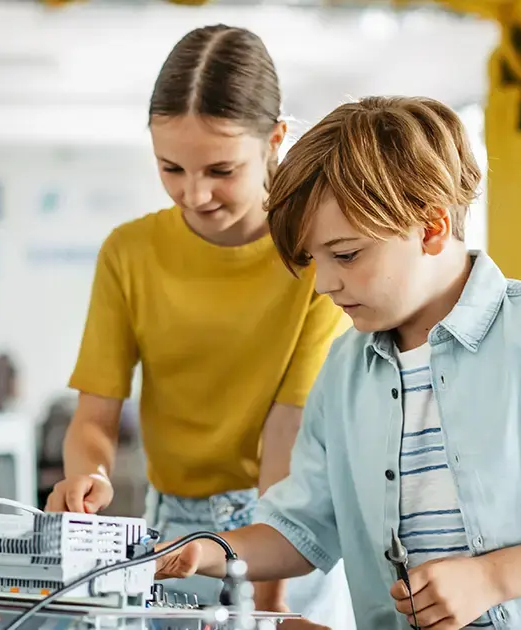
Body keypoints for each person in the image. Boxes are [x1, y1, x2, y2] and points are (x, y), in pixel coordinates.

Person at [153, 95, 521, 630]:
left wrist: (493, 578)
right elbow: (303, 526)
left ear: (430, 228)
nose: (324, 284)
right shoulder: (343, 372)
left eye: (344, 255)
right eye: (313, 261)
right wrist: (208, 550)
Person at [43, 24, 355, 625]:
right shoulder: (129, 252)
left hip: (286, 525)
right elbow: (95, 413)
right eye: (171, 168)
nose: (195, 194)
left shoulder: (313, 252)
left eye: (220, 169)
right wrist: (89, 477)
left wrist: (272, 597)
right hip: (169, 528)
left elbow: (286, 431)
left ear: (275, 141)